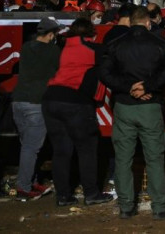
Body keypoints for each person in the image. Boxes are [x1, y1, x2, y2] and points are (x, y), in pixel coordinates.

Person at [98, 7, 165, 220]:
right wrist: (147, 87)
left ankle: (126, 206)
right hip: (150, 107)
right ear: (148, 22)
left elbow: (104, 73)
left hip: (124, 106)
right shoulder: (160, 44)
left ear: (130, 22)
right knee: (154, 158)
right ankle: (160, 207)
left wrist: (128, 87)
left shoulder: (116, 45)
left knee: (123, 158)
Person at [42, 18, 112, 207]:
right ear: (91, 34)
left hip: (50, 99)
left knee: (61, 151)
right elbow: (111, 55)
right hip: (74, 101)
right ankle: (91, 193)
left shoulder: (65, 46)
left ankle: (63, 196)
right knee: (87, 148)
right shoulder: (90, 49)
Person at [11, 17, 64, 200]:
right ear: (50, 35)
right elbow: (59, 71)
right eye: (55, 34)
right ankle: (24, 188)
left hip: (18, 101)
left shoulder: (26, 47)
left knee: (26, 145)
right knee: (31, 148)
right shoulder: (53, 50)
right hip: (36, 103)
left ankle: (31, 182)